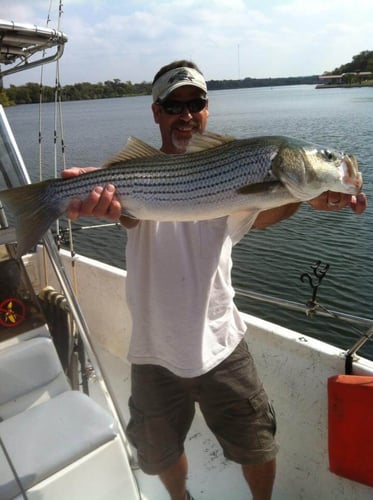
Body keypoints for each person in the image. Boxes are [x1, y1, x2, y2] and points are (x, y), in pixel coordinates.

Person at [63, 60, 367, 500]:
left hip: (222, 341)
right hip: (151, 351)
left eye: (196, 103)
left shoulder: (239, 169)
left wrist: (310, 195)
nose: (186, 114)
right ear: (156, 113)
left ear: (208, 110)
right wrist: (96, 195)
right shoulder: (142, 174)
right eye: (173, 105)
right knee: (159, 452)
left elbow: (267, 211)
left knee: (256, 443)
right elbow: (127, 215)